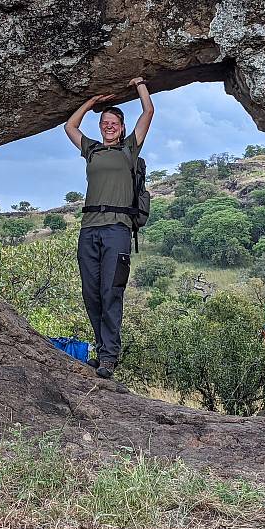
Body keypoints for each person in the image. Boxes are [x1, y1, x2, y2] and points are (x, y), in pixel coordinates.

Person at [64, 77, 154, 379]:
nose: (108, 126)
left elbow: (148, 113)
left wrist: (139, 84)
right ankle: (101, 349)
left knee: (110, 292)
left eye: (113, 122)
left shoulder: (130, 149)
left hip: (117, 230)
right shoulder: (92, 150)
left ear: (122, 127)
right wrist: (91, 103)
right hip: (89, 229)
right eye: (104, 122)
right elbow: (70, 127)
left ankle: (109, 357)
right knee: (91, 294)